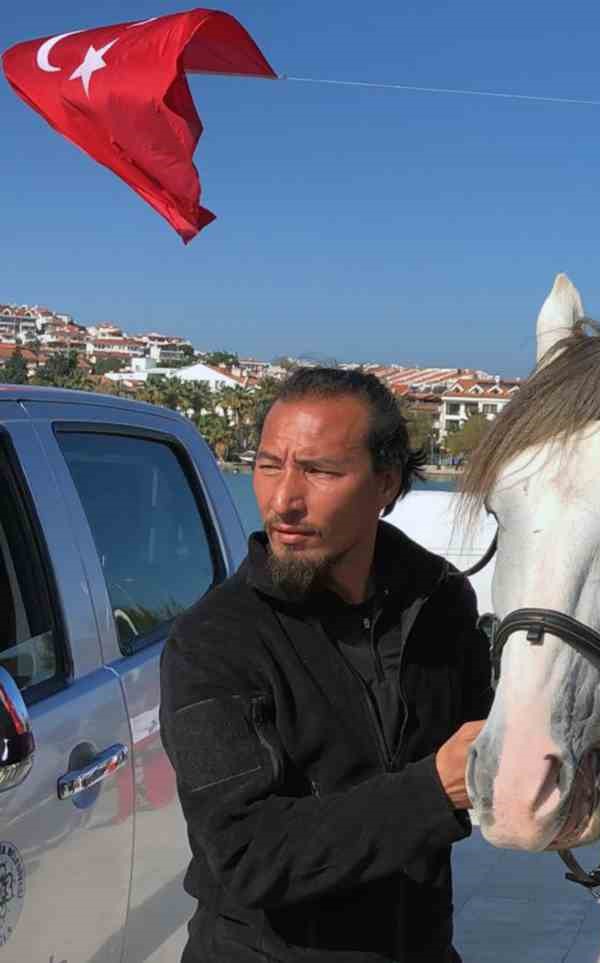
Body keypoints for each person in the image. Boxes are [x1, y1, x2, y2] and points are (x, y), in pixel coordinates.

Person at [160, 368, 492, 961]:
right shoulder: (211, 642)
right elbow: (247, 855)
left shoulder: (442, 603)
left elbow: (494, 752)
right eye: (268, 466)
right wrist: (433, 790)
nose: (283, 501)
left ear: (385, 483)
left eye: (319, 471)